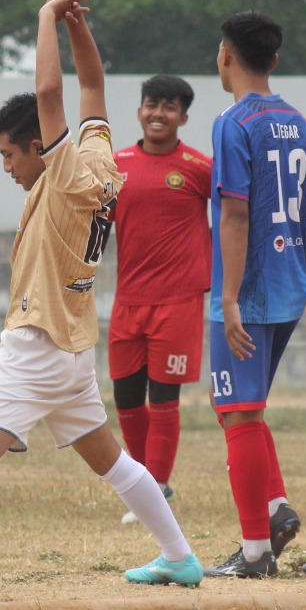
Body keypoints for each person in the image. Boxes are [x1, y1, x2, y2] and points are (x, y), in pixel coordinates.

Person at [0, 0, 203, 587]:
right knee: (113, 461)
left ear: (41, 147)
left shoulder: (65, 172)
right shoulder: (99, 156)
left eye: (10, 153)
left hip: (37, 337)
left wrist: (45, 16)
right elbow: (92, 86)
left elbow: (52, 94)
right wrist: (75, 28)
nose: (7, 165)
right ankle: (179, 557)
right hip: (72, 343)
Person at [202, 12, 306, 579]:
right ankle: (274, 510)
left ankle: (254, 554)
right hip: (291, 282)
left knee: (239, 412)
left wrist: (227, 299)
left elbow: (237, 211)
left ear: (226, 56)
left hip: (247, 289)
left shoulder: (233, 122)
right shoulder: (302, 123)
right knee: (239, 408)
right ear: (273, 59)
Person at [106, 74, 210, 523]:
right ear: (139, 111)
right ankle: (145, 485)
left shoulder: (200, 167)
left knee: (163, 397)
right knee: (126, 397)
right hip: (128, 299)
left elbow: (234, 216)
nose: (158, 114)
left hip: (179, 301)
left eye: (169, 107)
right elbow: (95, 225)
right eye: (152, 105)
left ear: (183, 117)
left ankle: (158, 486)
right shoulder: (116, 164)